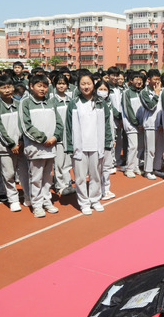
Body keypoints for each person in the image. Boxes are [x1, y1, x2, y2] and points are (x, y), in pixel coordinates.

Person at [66, 73, 112, 215]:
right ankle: (84, 202)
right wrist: (69, 145)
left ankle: (94, 199)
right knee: (80, 177)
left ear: (93, 84)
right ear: (78, 86)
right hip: (79, 145)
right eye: (83, 84)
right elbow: (68, 125)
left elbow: (106, 124)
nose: (86, 87)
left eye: (89, 83)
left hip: (96, 144)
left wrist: (108, 142)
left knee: (96, 175)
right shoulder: (74, 103)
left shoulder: (100, 103)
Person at [18, 74, 63, 218]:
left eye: (44, 86)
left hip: (50, 146)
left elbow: (59, 123)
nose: (42, 89)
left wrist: (55, 137)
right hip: (35, 147)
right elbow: (25, 126)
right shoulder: (25, 103)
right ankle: (37, 204)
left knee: (48, 177)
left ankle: (47, 200)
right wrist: (43, 139)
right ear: (31, 86)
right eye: (39, 86)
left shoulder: (51, 102)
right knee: (36, 177)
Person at [0, 75, 30, 212]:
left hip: (21, 145)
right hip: (5, 148)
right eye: (3, 87)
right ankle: (13, 199)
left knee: (24, 172)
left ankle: (28, 196)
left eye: (9, 87)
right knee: (9, 174)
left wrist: (21, 140)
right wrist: (11, 144)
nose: (7, 90)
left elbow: (24, 123)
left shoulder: (19, 104)